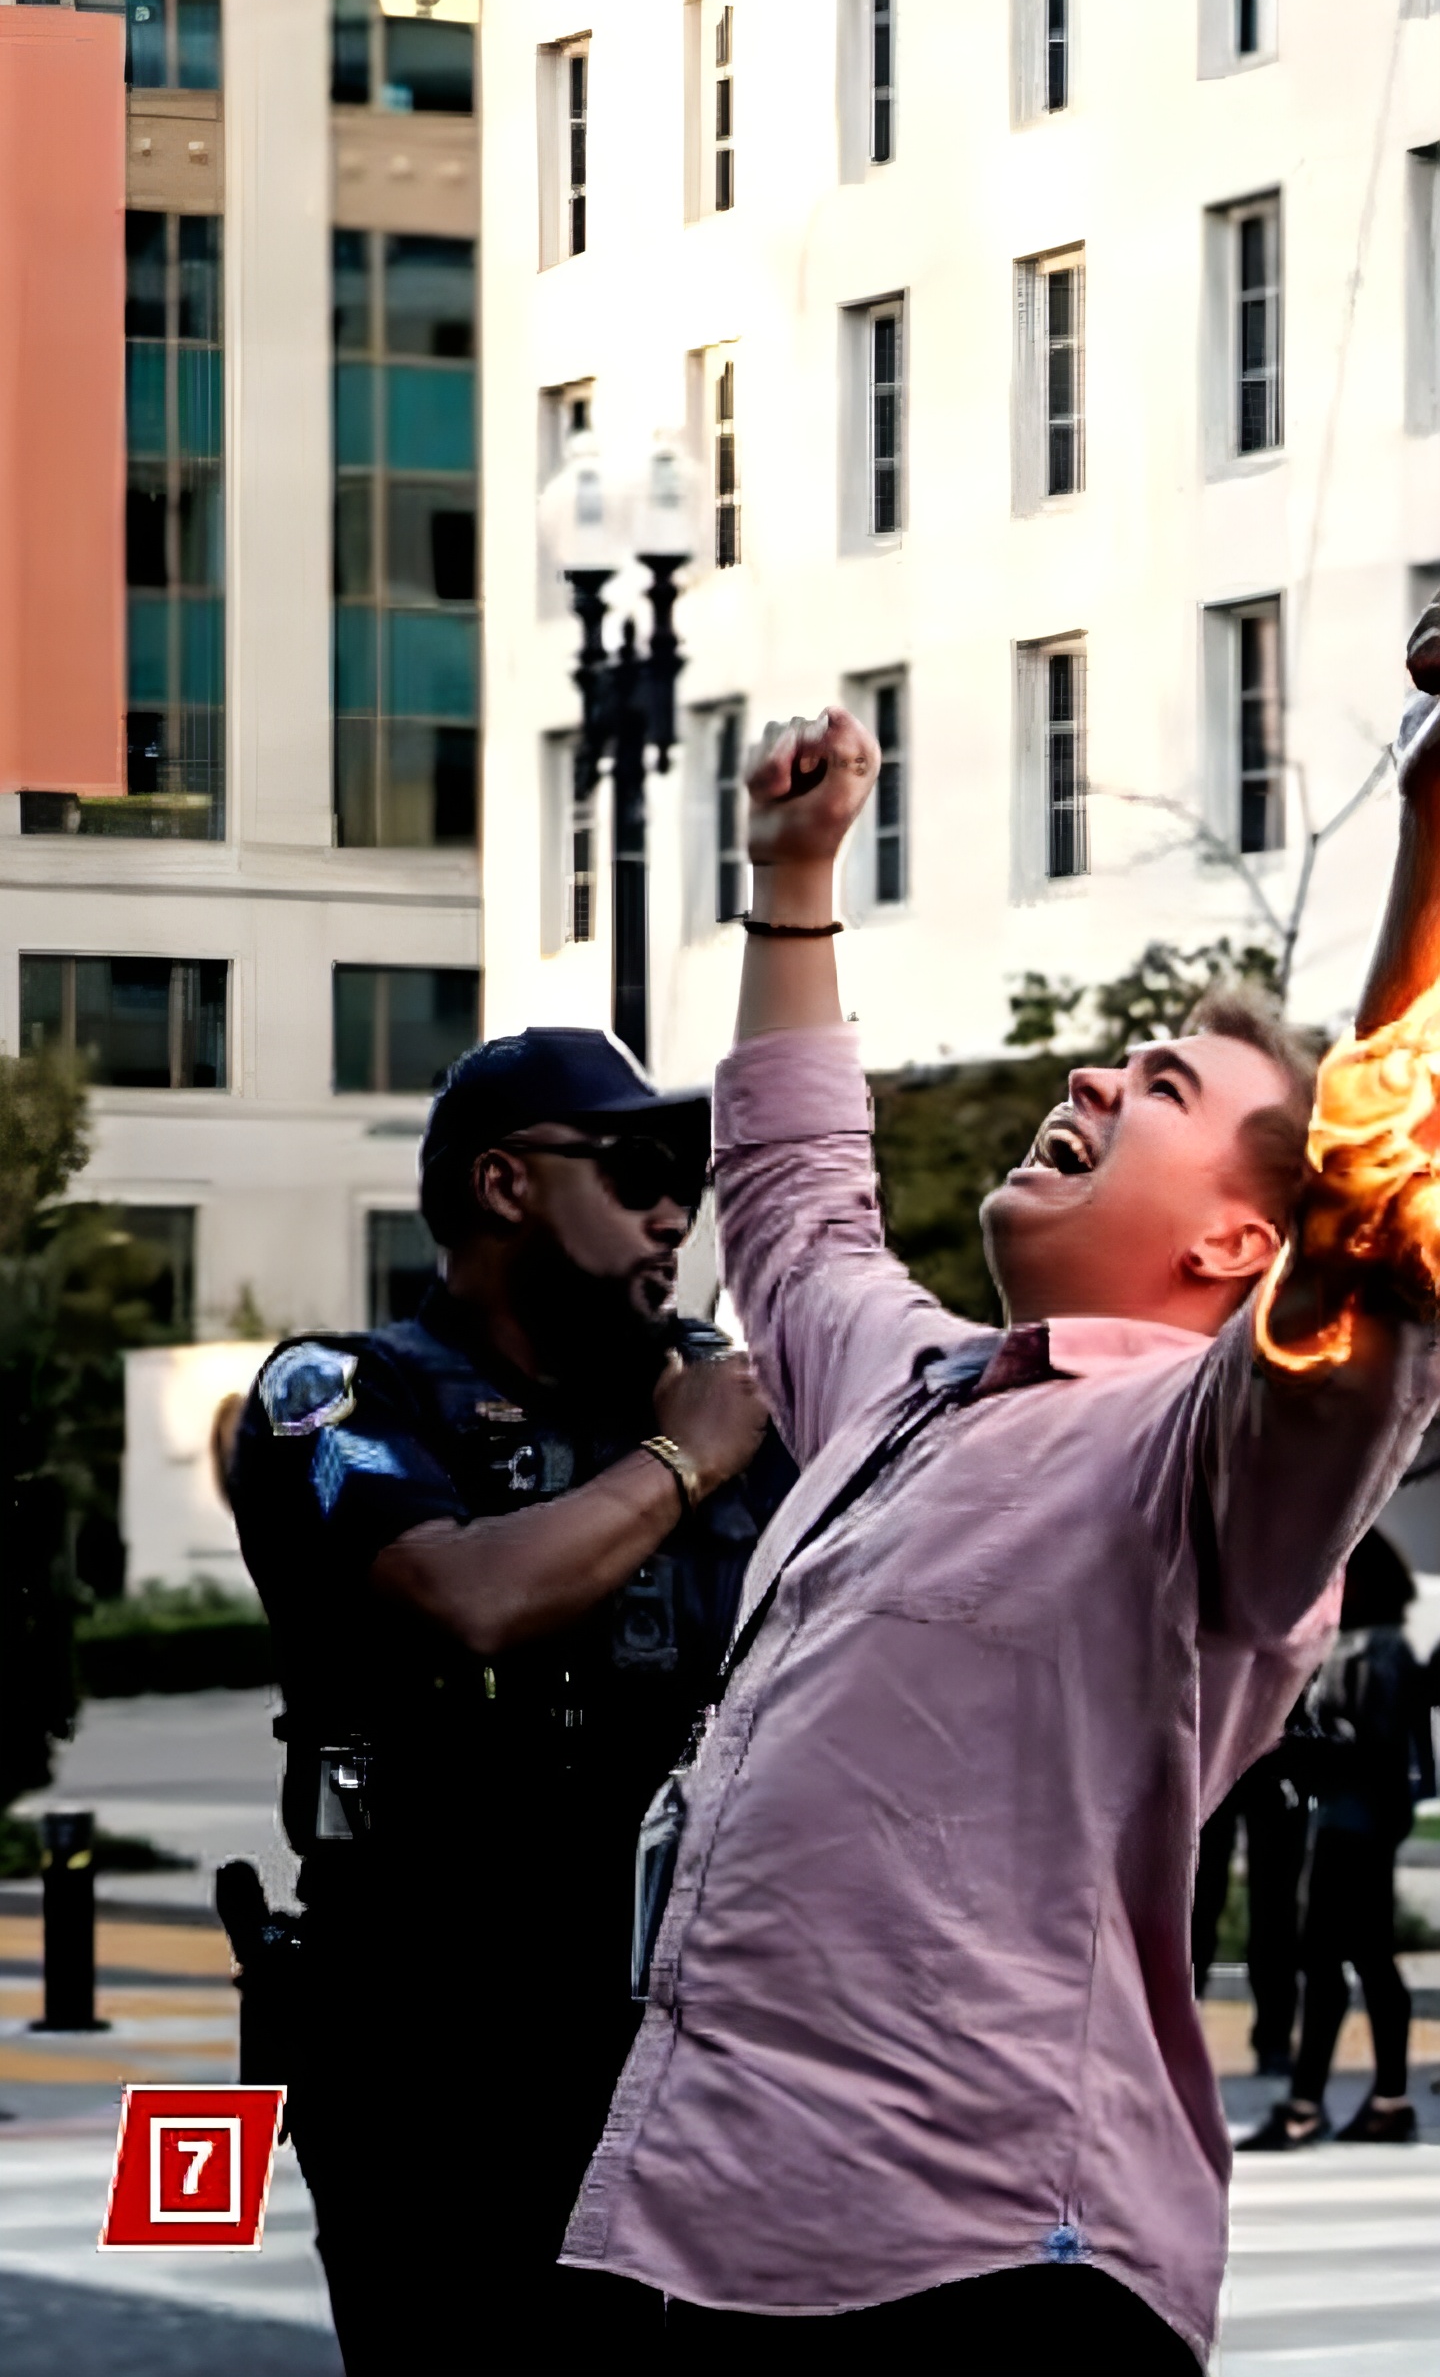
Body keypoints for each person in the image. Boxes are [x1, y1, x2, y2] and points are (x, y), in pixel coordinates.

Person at [563, 661, 1440, 2374]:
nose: (1102, 1082)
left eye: (1166, 1091)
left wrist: (1432, 813)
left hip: (988, 2267)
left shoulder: (1204, 1456)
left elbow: (1379, 1220)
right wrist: (797, 884)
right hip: (682, 2226)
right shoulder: (909, 1380)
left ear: (1235, 1250)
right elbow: (798, 1205)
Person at [226, 1026, 783, 2376]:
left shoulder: (716, 1405)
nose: (674, 1210)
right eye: (640, 1166)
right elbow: (468, 1595)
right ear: (503, 1185)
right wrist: (684, 1459)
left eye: (692, 1180)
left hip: (677, 2039)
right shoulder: (346, 1394)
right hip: (433, 2050)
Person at [1242, 1527, 1435, 2148]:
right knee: (1359, 1960)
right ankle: (1380, 2101)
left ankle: (1315, 2106)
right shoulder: (1362, 1646)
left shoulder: (1374, 1651)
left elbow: (1371, 1747)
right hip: (1351, 1820)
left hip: (1356, 1823)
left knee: (1332, 1960)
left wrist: (1291, 1748)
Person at [1192, 1735, 1310, 2076]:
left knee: (1272, 1909)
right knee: (1202, 1902)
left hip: (1260, 1744)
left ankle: (1274, 2040)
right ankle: (1272, 2041)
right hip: (1230, 1741)